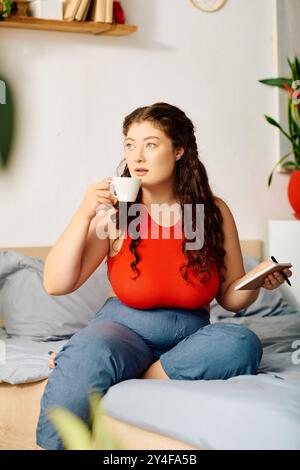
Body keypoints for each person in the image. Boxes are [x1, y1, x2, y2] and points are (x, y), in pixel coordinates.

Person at [36, 102, 292, 450]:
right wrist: (83, 214)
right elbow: (56, 283)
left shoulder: (211, 213)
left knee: (240, 342)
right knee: (90, 351)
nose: (137, 155)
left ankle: (142, 372)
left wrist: (256, 281)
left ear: (179, 150)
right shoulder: (118, 213)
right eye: (130, 144)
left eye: (151, 144)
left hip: (190, 338)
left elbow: (231, 299)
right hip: (122, 330)